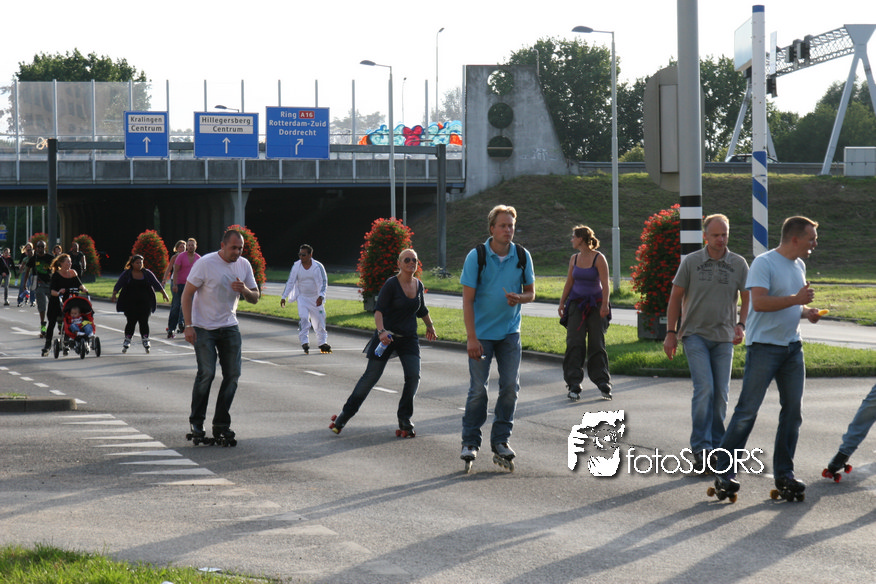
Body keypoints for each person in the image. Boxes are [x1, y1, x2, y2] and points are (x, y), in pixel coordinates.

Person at [711, 216, 825, 499]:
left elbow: (790, 304)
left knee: (793, 412)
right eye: (811, 238)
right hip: (764, 348)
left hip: (792, 348)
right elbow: (760, 303)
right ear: (795, 239)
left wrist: (806, 312)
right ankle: (724, 471)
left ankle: (785, 474)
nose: (815, 243)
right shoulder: (764, 263)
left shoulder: (799, 265)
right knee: (747, 411)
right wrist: (796, 300)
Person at [663, 214, 750, 470]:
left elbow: (747, 298)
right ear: (705, 236)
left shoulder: (738, 263)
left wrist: (741, 325)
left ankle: (717, 447)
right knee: (705, 389)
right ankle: (701, 448)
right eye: (715, 235)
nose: (721, 239)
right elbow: (675, 297)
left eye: (724, 234)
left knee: (721, 394)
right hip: (695, 335)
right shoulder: (691, 262)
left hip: (724, 338)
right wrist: (671, 332)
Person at [329, 248, 437, 437]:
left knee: (413, 376)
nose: (411, 263)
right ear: (399, 264)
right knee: (370, 377)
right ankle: (344, 416)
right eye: (407, 260)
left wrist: (430, 325)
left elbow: (421, 309)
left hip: (408, 339)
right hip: (387, 338)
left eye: (414, 260)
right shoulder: (391, 284)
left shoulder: (418, 285)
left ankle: (404, 419)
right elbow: (379, 311)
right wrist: (381, 332)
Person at [459, 205, 535, 469]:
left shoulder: (522, 256)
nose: (508, 230)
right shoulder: (477, 256)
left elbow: (531, 293)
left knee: (510, 388)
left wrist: (519, 297)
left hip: (510, 333)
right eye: (503, 225)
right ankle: (470, 442)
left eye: (511, 225)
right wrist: (471, 338)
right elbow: (467, 301)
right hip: (481, 335)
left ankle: (501, 440)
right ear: (492, 228)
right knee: (478, 390)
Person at [181, 229, 260, 446]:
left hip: (229, 326)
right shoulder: (205, 263)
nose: (237, 252)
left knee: (233, 375)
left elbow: (255, 297)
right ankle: (197, 422)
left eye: (240, 248)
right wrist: (188, 326)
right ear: (223, 246)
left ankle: (221, 424)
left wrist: (244, 290)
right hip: (203, 327)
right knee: (207, 373)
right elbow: (187, 294)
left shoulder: (243, 265)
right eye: (233, 248)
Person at [558, 225, 612, 401]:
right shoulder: (574, 259)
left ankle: (602, 381)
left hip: (596, 305)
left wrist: (605, 305)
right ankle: (573, 383)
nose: (572, 240)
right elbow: (569, 282)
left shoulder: (598, 258)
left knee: (597, 343)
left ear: (581, 239)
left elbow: (605, 283)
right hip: (576, 305)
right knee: (574, 342)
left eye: (573, 237)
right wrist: (562, 302)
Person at [110, 254, 169, 353]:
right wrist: (114, 294)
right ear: (132, 264)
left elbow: (156, 283)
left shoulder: (147, 273)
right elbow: (119, 284)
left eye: (141, 263)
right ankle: (128, 338)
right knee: (131, 321)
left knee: (144, 321)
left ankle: (145, 339)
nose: (139, 264)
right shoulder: (127, 274)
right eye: (137, 263)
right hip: (130, 302)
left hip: (145, 302)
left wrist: (164, 294)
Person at [280, 244, 330, 354]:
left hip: (315, 298)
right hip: (302, 297)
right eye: (300, 254)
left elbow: (324, 282)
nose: (301, 257)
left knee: (319, 320)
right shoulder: (296, 266)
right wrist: (284, 297)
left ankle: (322, 343)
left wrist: (321, 296)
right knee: (303, 318)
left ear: (310, 255)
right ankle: (304, 342)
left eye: (303, 255)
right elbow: (290, 282)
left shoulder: (318, 266)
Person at [43, 253, 87, 357]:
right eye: (68, 262)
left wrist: (83, 288)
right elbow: (52, 291)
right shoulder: (56, 275)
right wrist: (59, 292)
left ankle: (66, 342)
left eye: (70, 262)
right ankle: (47, 345)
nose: (70, 263)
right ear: (61, 263)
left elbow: (79, 284)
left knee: (69, 321)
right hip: (56, 302)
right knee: (52, 323)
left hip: (68, 302)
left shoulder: (73, 273)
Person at [163, 238, 199, 338]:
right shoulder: (181, 257)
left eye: (192, 245)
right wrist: (174, 284)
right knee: (176, 306)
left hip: (190, 285)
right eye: (189, 245)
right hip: (179, 284)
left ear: (195, 246)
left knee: (189, 307)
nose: (190, 247)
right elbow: (176, 271)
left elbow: (200, 273)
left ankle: (188, 327)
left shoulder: (198, 258)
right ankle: (171, 329)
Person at [22, 241, 54, 337]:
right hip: (39, 285)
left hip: (50, 284)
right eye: (38, 247)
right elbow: (27, 271)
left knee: (56, 305)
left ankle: (60, 324)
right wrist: (24, 284)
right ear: (36, 248)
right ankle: (43, 327)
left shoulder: (50, 258)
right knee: (42, 306)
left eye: (42, 247)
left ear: (45, 247)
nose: (40, 248)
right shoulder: (33, 259)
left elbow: (57, 269)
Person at [16, 242, 34, 307]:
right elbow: (21, 263)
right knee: (22, 286)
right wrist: (20, 270)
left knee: (31, 287)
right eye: (27, 247)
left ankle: (31, 300)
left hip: (32, 273)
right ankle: (20, 300)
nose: (28, 249)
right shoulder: (24, 257)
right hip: (25, 272)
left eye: (30, 247)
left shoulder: (34, 257)